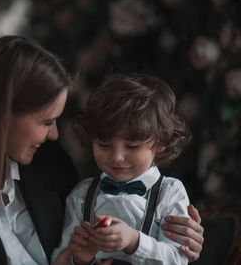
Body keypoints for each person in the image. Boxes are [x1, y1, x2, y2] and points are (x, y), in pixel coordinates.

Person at [0, 36, 203, 265]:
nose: (53, 135)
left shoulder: (47, 164)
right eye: (46, 121)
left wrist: (176, 241)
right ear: (1, 114)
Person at [52, 74, 202, 265]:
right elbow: (59, 256)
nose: (117, 157)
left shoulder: (170, 193)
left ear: (160, 143)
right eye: (104, 145)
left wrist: (134, 242)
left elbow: (178, 258)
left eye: (132, 146)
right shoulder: (82, 195)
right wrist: (79, 258)